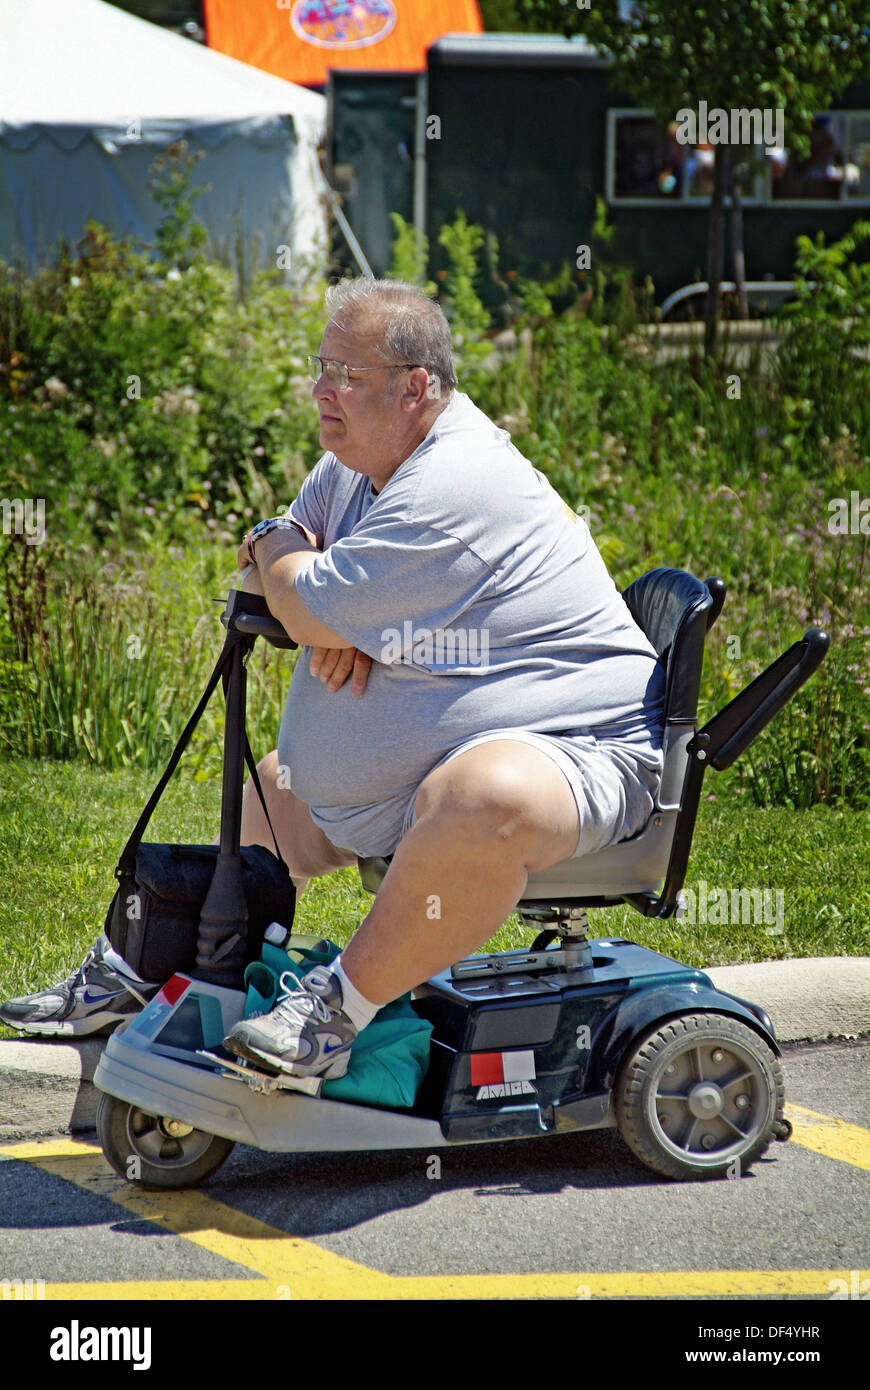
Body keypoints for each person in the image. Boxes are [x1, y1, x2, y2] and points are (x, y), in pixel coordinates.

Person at [2, 279, 665, 1072]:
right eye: (321, 366)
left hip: (583, 754)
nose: (321, 390)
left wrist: (314, 597)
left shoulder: (452, 484)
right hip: (444, 753)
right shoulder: (357, 463)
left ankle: (335, 1014)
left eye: (346, 375)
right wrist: (293, 566)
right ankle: (147, 970)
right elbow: (271, 571)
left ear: (416, 386)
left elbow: (300, 598)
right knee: (275, 795)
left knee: (482, 799)